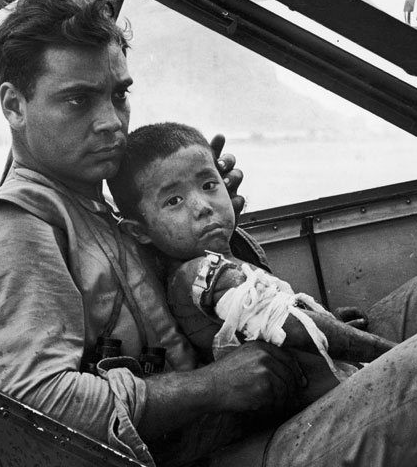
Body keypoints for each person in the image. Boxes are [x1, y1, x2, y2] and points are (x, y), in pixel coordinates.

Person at [0, 0, 417, 467]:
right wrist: (211, 387)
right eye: (79, 100)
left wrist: (217, 235)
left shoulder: (94, 201)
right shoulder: (13, 233)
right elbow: (32, 409)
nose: (111, 122)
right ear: (14, 105)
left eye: (119, 95)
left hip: (239, 422)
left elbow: (184, 308)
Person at [107, 121, 397, 404]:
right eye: (174, 201)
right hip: (326, 402)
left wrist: (326, 318)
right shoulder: (197, 273)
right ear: (139, 232)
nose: (202, 207)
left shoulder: (225, 257)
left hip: (340, 380)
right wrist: (394, 352)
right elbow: (289, 326)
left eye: (209, 185)